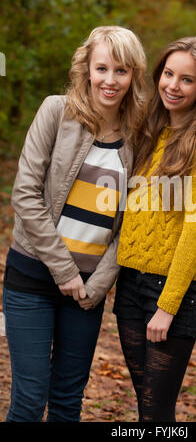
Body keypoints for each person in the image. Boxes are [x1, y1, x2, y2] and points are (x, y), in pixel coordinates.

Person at [1, 25, 147, 422]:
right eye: (102, 68)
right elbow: (25, 196)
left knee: (68, 403)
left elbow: (133, 222)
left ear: (133, 75)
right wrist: (65, 271)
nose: (110, 80)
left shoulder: (139, 136)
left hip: (86, 294)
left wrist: (98, 284)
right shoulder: (56, 111)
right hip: (32, 278)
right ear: (86, 68)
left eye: (121, 70)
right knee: (29, 401)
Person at [113, 36, 196, 422]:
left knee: (156, 414)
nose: (173, 85)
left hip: (171, 293)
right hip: (131, 285)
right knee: (147, 410)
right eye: (168, 74)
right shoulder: (150, 133)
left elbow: (194, 231)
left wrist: (167, 307)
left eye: (187, 80)